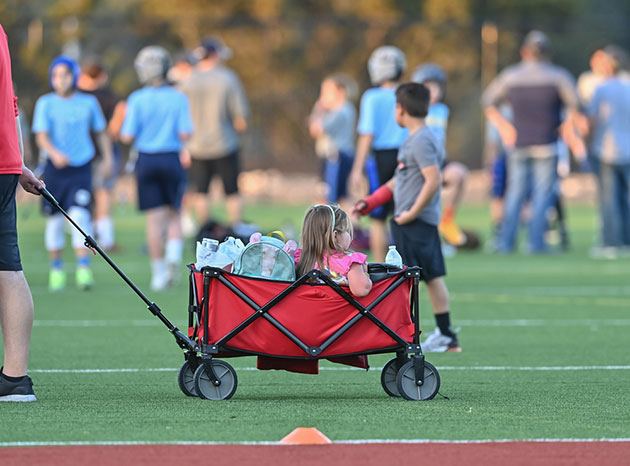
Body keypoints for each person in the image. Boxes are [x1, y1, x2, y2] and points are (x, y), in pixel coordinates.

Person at [354, 82, 461, 352]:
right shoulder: (413, 139)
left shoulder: (422, 140)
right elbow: (397, 181)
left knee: (413, 280)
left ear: (400, 110)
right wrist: (371, 202)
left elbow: (433, 179)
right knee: (425, 278)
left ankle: (414, 335)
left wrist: (412, 211)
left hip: (415, 223)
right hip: (410, 222)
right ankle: (443, 334)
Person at [482, 30, 581, 254]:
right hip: (547, 143)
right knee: (542, 195)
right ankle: (536, 244)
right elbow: (575, 104)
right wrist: (566, 126)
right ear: (547, 52)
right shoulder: (558, 76)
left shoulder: (511, 76)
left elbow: (488, 101)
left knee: (515, 194)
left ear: (524, 51)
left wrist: (504, 127)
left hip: (519, 143)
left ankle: (506, 243)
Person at [32, 55, 113, 291]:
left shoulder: (87, 103)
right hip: (55, 171)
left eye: (66, 75)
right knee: (55, 222)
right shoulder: (45, 103)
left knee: (80, 217)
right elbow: (41, 135)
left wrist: (107, 158)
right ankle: (56, 270)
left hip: (81, 169)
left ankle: (83, 270)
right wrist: (54, 154)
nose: (61, 80)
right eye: (56, 75)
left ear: (74, 76)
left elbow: (101, 132)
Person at [120, 46, 193, 291]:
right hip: (171, 158)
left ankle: (158, 273)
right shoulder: (178, 97)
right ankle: (173, 257)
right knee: (175, 213)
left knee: (154, 220)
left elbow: (128, 135)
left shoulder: (137, 98)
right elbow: (185, 133)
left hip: (147, 159)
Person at [1, 23, 45, 402]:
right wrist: (19, 163)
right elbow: (10, 102)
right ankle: (15, 379)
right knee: (7, 267)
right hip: (4, 165)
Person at [181, 37, 249, 233]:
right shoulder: (228, 78)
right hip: (225, 143)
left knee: (201, 191)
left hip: (196, 146)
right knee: (232, 191)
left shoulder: (188, 80)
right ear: (216, 55)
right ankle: (236, 229)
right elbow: (240, 119)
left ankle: (206, 231)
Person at [349, 46, 408, 262]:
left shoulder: (371, 97)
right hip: (405, 157)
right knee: (402, 215)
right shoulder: (406, 93)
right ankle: (404, 265)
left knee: (377, 218)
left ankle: (380, 264)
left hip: (381, 158)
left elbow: (367, 135)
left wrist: (357, 168)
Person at [412, 63, 470, 248]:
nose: (433, 92)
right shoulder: (414, 111)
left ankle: (447, 222)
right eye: (428, 87)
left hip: (439, 161)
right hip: (419, 163)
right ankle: (429, 238)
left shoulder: (442, 110)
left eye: (436, 87)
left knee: (459, 174)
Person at [584, 45, 630, 257]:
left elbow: (592, 120)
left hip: (606, 150)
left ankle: (611, 242)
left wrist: (588, 142)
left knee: (609, 199)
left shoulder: (601, 89)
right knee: (626, 199)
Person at [78, 58, 122, 252]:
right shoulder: (107, 95)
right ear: (101, 75)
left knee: (84, 197)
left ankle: (87, 237)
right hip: (104, 152)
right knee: (103, 194)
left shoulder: (78, 95)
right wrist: (112, 132)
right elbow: (122, 109)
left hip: (82, 153)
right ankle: (106, 238)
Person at [296, 204, 372, 297]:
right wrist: (365, 273)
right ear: (335, 236)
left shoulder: (300, 258)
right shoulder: (349, 262)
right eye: (347, 231)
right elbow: (361, 290)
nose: (350, 235)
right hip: (340, 310)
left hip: (307, 309)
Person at [308, 73, 357, 211]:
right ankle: (348, 226)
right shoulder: (344, 109)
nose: (323, 96)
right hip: (337, 156)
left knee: (330, 197)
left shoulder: (340, 111)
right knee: (340, 195)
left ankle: (335, 228)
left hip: (336, 157)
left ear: (340, 92)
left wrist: (319, 108)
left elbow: (316, 128)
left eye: (327, 92)